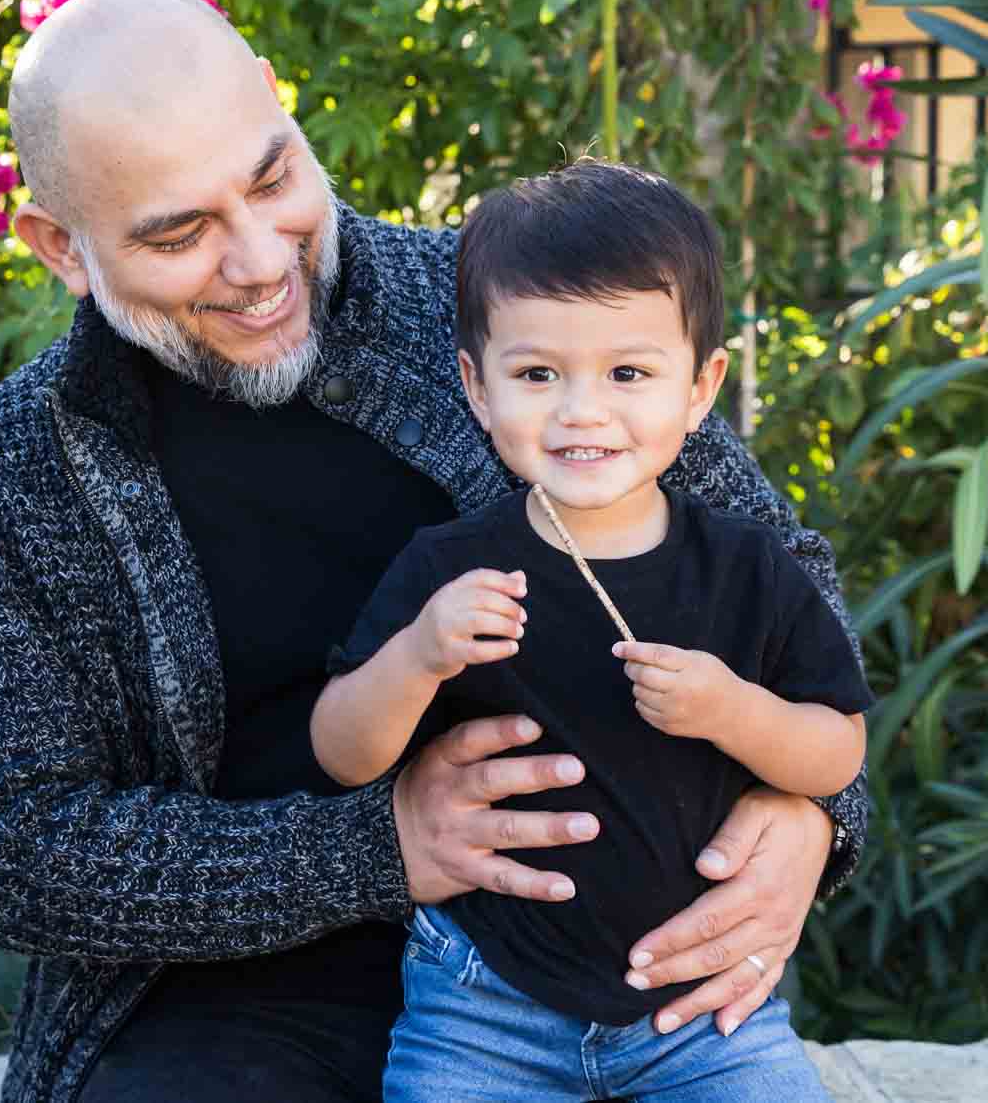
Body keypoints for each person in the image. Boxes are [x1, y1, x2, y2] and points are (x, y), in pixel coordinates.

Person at [0, 0, 872, 1103]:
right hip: (237, 1002)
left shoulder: (501, 313)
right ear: (60, 250)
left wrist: (807, 814)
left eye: (272, 178)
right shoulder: (10, 469)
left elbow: (776, 582)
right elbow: (10, 847)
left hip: (590, 963)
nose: (260, 260)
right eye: (179, 232)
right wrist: (376, 850)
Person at [311, 162, 873, 1101]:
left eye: (627, 372)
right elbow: (342, 751)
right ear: (477, 387)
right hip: (482, 1005)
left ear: (701, 388)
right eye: (537, 374)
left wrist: (732, 709)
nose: (582, 410)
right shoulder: (450, 571)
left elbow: (836, 753)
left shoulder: (745, 568)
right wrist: (418, 656)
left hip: (702, 1013)